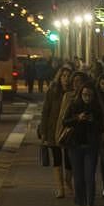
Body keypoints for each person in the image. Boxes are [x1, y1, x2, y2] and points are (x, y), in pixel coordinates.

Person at [61, 81, 104, 206]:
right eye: (85, 94)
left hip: (91, 146)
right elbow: (65, 121)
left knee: (90, 176)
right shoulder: (74, 105)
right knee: (78, 177)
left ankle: (90, 204)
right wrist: (77, 118)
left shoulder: (97, 108)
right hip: (75, 145)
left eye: (90, 95)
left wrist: (92, 121)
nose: (87, 97)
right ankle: (80, 203)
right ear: (81, 94)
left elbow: (101, 127)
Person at [39, 64, 74, 198]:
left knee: (69, 158)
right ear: (59, 77)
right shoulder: (53, 91)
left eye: (68, 76)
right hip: (53, 129)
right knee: (57, 158)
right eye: (63, 76)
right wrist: (43, 132)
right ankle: (60, 188)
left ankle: (68, 182)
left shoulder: (73, 92)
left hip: (68, 129)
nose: (65, 78)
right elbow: (45, 111)